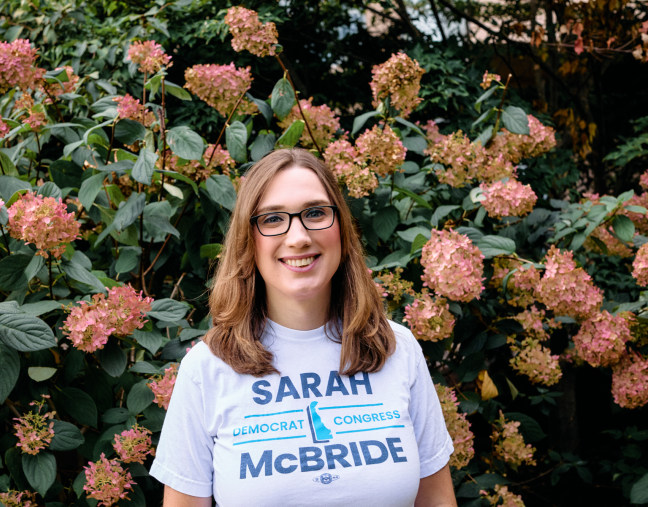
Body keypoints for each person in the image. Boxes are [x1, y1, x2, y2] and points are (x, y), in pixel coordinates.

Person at [150, 148, 457, 506]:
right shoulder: (208, 368)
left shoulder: (397, 348)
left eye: (315, 213)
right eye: (272, 219)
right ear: (249, 240)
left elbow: (437, 501)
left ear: (341, 226)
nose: (298, 236)